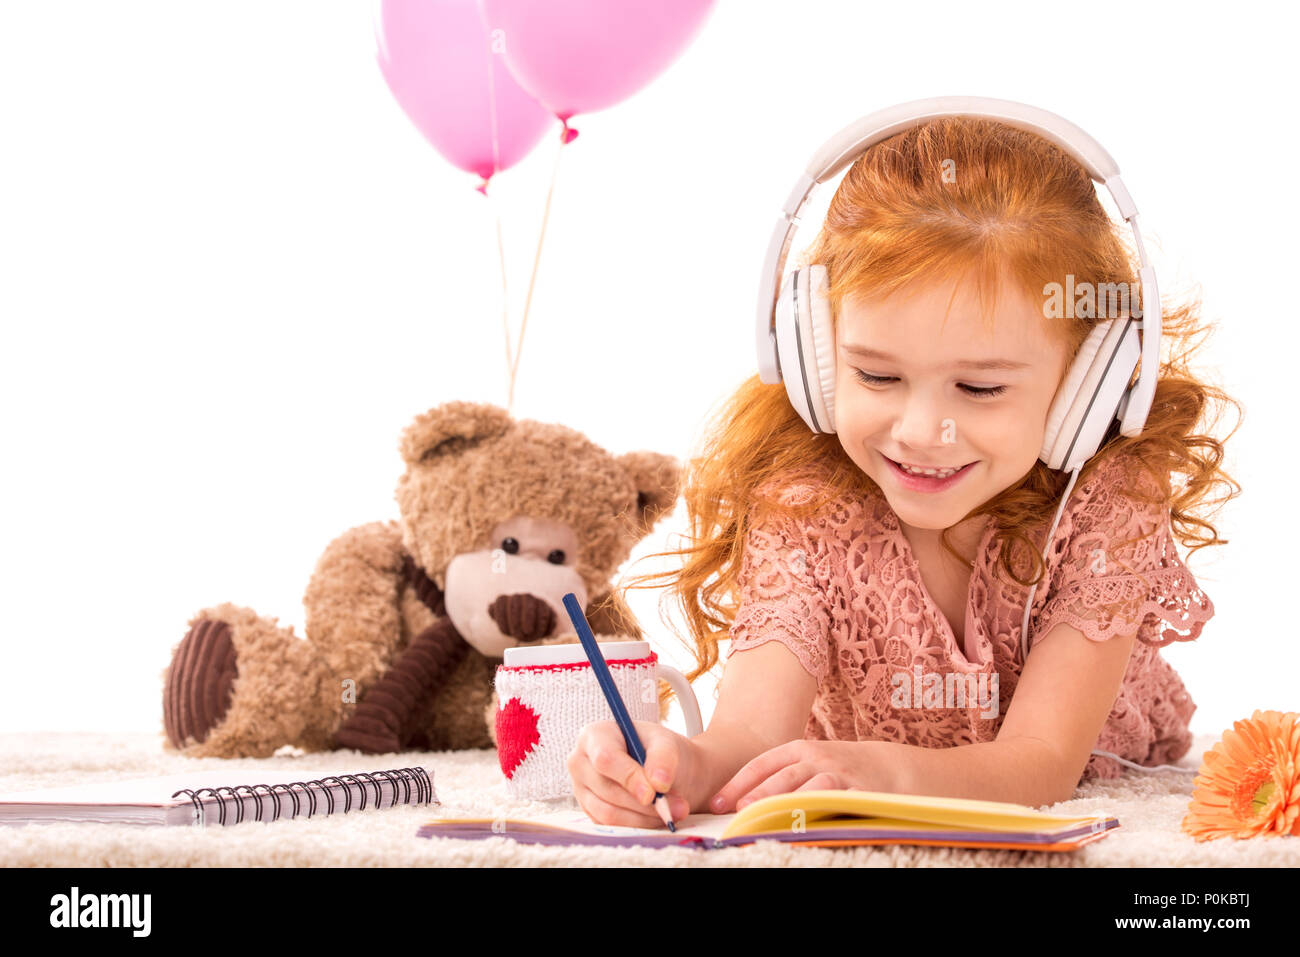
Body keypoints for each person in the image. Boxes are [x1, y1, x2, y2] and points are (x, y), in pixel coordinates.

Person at [566, 114, 1241, 828]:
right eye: (877, 374)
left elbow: (1040, 761)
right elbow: (750, 737)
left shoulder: (1106, 503)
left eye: (980, 389)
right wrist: (675, 763)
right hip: (853, 771)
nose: (921, 432)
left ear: (1087, 383)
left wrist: (882, 771)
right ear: (812, 357)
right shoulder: (806, 502)